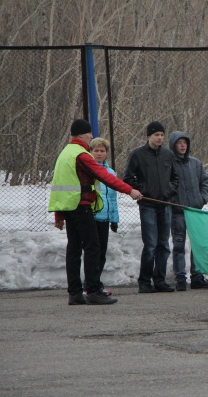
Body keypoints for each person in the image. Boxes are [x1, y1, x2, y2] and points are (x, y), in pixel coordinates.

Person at [48, 119, 142, 306]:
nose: (91, 137)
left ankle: (74, 293)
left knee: (74, 249)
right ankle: (92, 290)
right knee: (92, 246)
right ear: (82, 134)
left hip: (68, 207)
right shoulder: (81, 155)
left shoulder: (64, 153)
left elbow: (58, 186)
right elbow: (105, 176)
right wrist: (129, 190)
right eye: (89, 133)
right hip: (81, 206)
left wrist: (59, 215)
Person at [123, 121, 179, 294]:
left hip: (165, 204)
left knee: (164, 244)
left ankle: (160, 280)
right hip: (147, 204)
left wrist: (169, 190)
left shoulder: (168, 155)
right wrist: (143, 190)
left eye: (162, 135)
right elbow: (128, 178)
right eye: (156, 135)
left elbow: (175, 177)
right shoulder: (137, 155)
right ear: (149, 136)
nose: (159, 138)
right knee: (150, 245)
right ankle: (145, 281)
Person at [168, 131, 208, 291]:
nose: (182, 145)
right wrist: (173, 201)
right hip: (178, 211)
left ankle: (197, 277)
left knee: (198, 245)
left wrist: (202, 198)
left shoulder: (195, 163)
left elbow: (204, 181)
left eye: (185, 143)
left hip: (195, 211)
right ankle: (180, 278)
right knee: (179, 245)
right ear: (173, 145)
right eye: (179, 143)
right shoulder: (168, 164)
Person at [88, 137, 120, 296]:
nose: (99, 154)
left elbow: (113, 198)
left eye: (102, 151)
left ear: (106, 153)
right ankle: (90, 285)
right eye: (96, 151)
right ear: (91, 152)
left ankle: (96, 283)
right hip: (92, 217)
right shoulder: (88, 170)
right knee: (92, 252)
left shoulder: (111, 172)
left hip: (105, 218)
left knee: (102, 253)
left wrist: (114, 219)